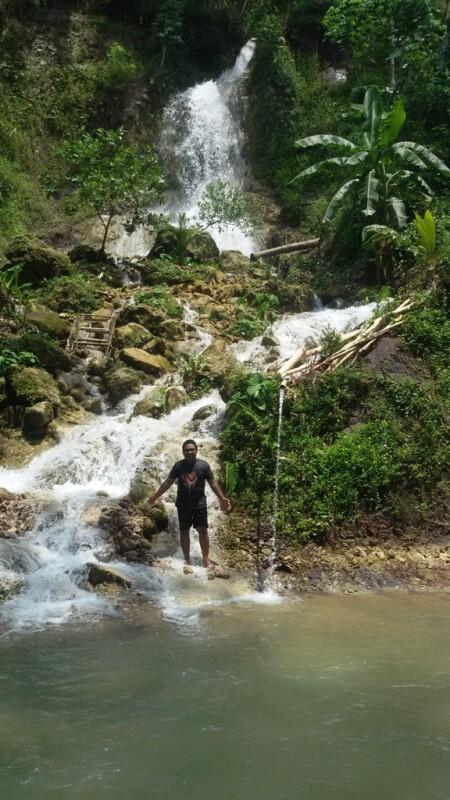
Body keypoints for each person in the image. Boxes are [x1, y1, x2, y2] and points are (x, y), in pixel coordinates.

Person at [148, 439, 231, 570]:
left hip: (200, 503)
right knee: (184, 530)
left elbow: (213, 483)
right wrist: (156, 495)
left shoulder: (203, 466)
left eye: (192, 449)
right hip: (183, 503)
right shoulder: (178, 466)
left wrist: (222, 498)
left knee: (202, 530)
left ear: (196, 450)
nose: (189, 452)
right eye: (187, 450)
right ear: (183, 452)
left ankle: (205, 559)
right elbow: (168, 482)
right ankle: (187, 559)